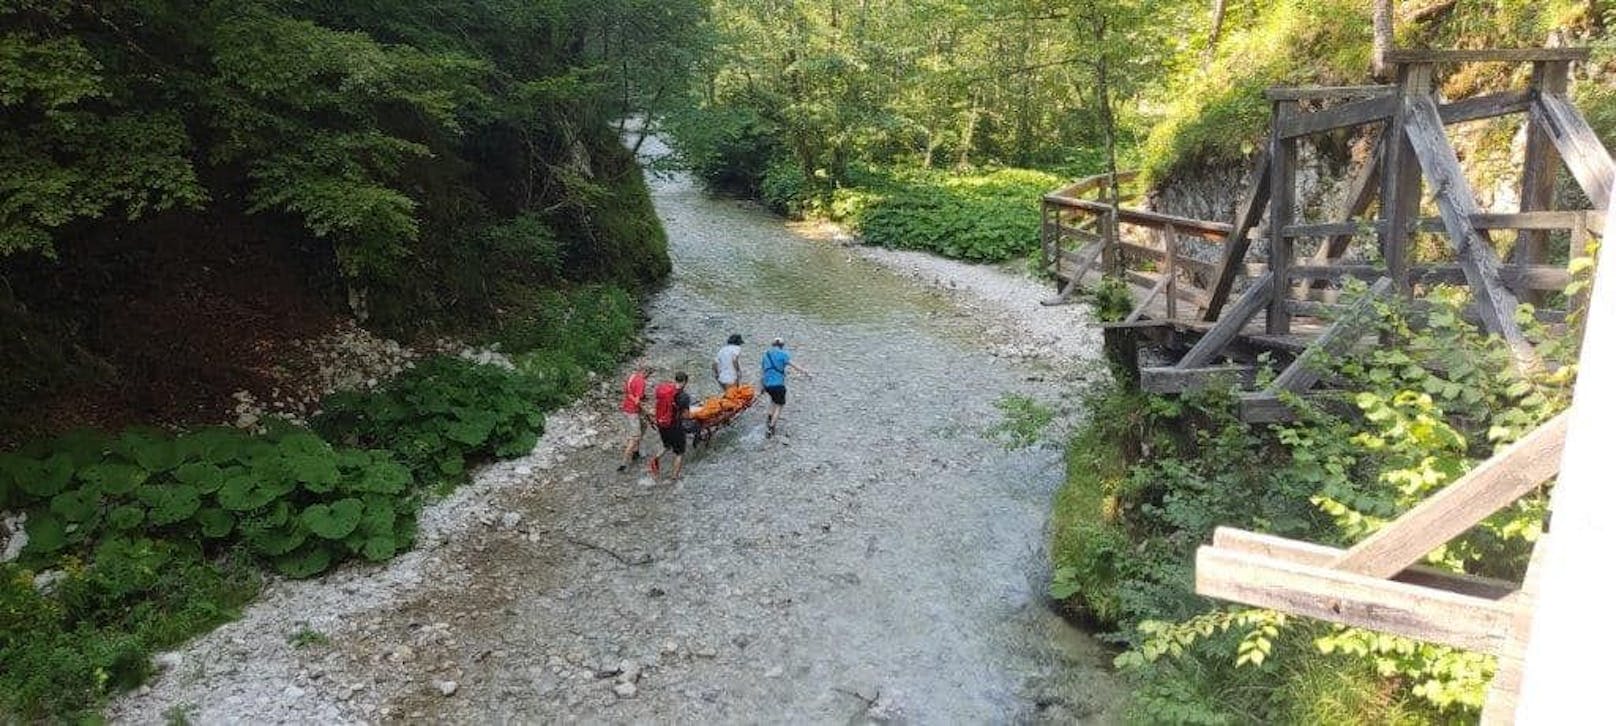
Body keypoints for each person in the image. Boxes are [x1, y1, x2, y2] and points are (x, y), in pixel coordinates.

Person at [760, 338, 811, 438]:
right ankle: (771, 428)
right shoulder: (783, 354)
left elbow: (762, 372)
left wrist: (762, 386)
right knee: (779, 405)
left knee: (773, 400)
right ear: (782, 345)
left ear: (773, 344)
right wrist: (806, 372)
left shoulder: (766, 355)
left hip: (767, 385)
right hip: (779, 385)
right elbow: (794, 366)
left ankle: (769, 419)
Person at [648, 371, 694, 483]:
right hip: (674, 425)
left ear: (675, 379)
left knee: (667, 445)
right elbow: (686, 415)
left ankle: (655, 459)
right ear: (685, 382)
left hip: (661, 423)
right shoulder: (683, 396)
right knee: (679, 452)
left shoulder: (666, 390)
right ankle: (674, 478)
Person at [616, 361, 654, 473]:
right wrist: (648, 411)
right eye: (648, 375)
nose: (648, 377)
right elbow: (637, 401)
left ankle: (636, 452)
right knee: (635, 437)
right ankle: (623, 464)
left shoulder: (631, 376)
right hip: (633, 411)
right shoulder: (641, 382)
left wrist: (640, 398)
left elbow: (627, 392)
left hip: (626, 408)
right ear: (645, 372)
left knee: (644, 426)